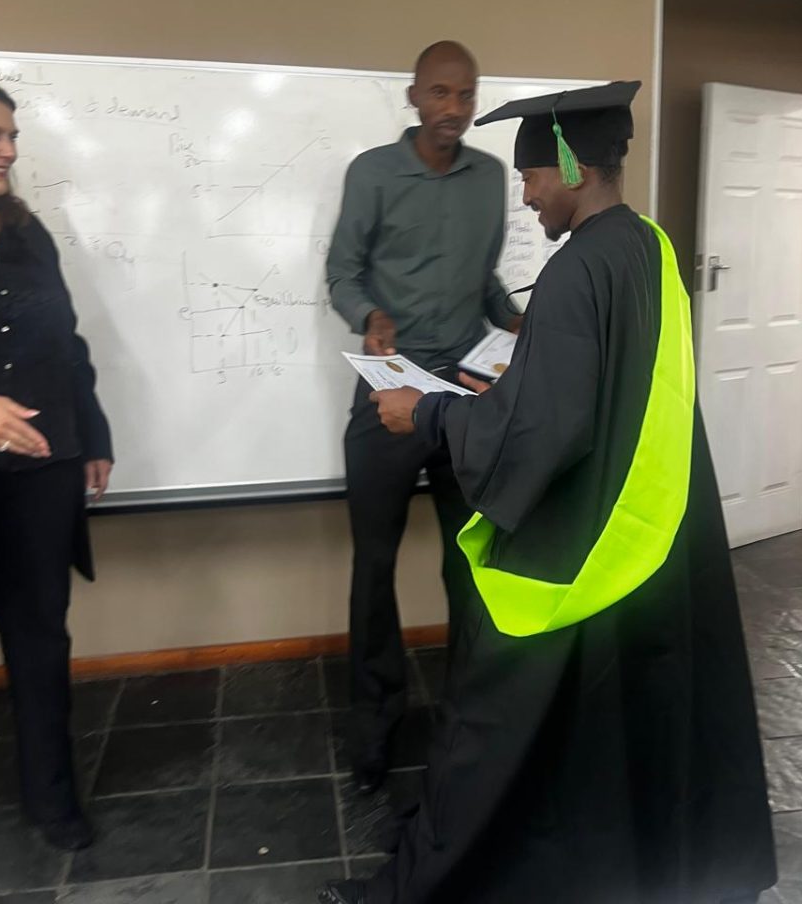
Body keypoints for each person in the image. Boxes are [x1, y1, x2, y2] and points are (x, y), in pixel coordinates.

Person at [320, 81, 776, 904]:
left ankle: (435, 876)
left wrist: (426, 413)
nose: (527, 197)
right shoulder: (648, 247)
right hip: (646, 528)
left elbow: (541, 434)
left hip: (576, 543)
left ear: (570, 166)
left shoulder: (576, 270)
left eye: (532, 177)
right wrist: (510, 384)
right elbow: (603, 394)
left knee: (492, 716)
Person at [326, 41, 522, 793]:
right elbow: (342, 271)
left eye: (466, 95)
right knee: (373, 565)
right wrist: (370, 315)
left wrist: (514, 319)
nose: (454, 109)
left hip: (466, 397)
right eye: (440, 93)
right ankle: (374, 725)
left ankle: (470, 714)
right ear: (413, 96)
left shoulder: (490, 178)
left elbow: (485, 282)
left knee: (470, 558)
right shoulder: (372, 173)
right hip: (390, 390)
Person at [0, 74, 113, 851]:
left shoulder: (30, 236)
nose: (8, 150)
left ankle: (52, 800)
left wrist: (91, 431)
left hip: (41, 472)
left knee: (39, 638)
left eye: (12, 136)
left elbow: (68, 343)